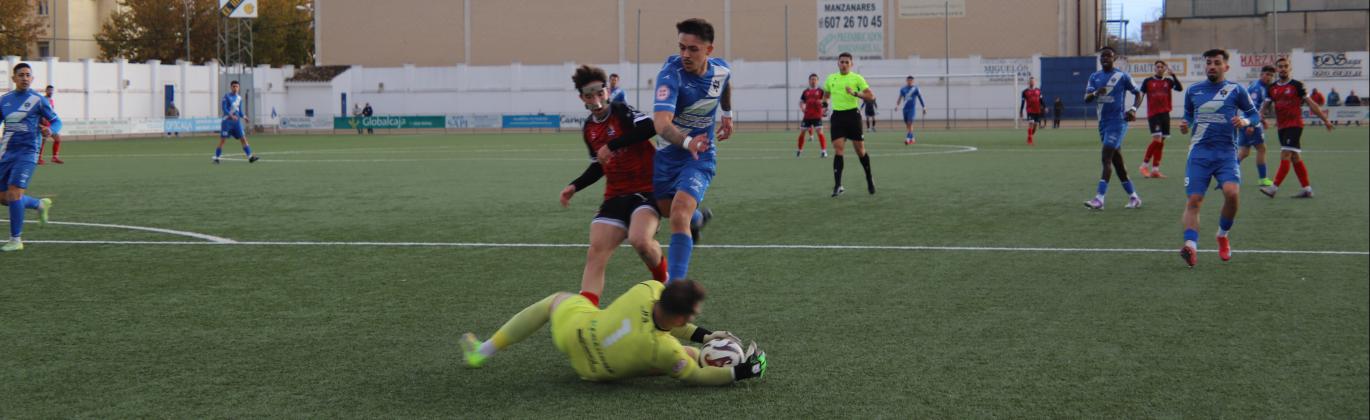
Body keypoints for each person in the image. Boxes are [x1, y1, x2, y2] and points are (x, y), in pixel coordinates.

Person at [459, 279, 768, 385]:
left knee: (556, 301)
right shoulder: (666, 350)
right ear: (679, 318)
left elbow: (669, 320)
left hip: (574, 333)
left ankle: (481, 352)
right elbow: (697, 378)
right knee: (690, 359)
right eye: (693, 315)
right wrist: (741, 373)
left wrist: (702, 332)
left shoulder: (646, 289)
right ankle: (716, 361)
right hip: (594, 373)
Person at [559, 65, 666, 304]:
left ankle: (664, 283)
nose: (596, 99)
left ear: (607, 91)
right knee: (596, 251)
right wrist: (574, 186)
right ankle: (586, 315)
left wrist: (613, 144)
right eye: (589, 95)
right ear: (581, 98)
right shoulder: (589, 128)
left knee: (640, 241)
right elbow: (599, 165)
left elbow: (650, 127)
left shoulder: (622, 111)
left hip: (646, 190)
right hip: (615, 195)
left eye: (600, 93)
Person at [651, 18, 730, 282]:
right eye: (682, 47)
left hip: (701, 155)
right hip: (668, 154)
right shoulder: (670, 75)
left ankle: (674, 288)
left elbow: (726, 83)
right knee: (666, 208)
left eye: (693, 49)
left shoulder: (720, 70)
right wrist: (686, 142)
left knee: (678, 212)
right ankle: (697, 220)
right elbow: (661, 124)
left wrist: (727, 115)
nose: (685, 54)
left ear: (709, 49)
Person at [1177, 49, 1260, 267]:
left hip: (1225, 154)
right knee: (1194, 200)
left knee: (1232, 194)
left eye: (1216, 63)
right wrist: (1184, 125)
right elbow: (1187, 116)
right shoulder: (1193, 91)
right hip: (1199, 153)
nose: (1212, 66)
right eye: (1209, 63)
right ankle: (1191, 247)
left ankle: (1222, 235)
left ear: (1226, 67)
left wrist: (1245, 122)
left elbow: (1255, 115)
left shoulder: (1235, 90)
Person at [0, 63, 59, 252]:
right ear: (14, 78)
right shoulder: (4, 100)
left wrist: (50, 130)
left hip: (27, 152)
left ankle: (16, 240)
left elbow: (57, 121)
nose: (25, 78)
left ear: (32, 79)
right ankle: (39, 204)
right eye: (21, 75)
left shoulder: (38, 100)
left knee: (15, 192)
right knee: (4, 198)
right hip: (6, 152)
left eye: (28, 75)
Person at [1259, 57, 1334, 199]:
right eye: (1280, 66)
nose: (1283, 68)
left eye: (1285, 66)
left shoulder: (1297, 85)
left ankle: (1273, 188)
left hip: (1295, 124)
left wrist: (1325, 120)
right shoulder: (1272, 88)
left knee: (1286, 154)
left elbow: (1312, 104)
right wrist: (1260, 117)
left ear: (1289, 68)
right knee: (1295, 157)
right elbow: (1265, 106)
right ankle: (1307, 189)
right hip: (1281, 127)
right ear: (1277, 70)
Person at [1082, 46, 1142, 210]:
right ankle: (1134, 197)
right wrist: (1095, 94)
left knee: (1106, 156)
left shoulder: (1122, 76)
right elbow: (1086, 99)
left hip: (1118, 122)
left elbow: (1138, 93)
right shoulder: (1094, 77)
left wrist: (1133, 109)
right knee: (1118, 164)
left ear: (1114, 59)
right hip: (1103, 124)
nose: (1105, 59)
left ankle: (1099, 199)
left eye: (1108, 56)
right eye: (1103, 56)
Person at [823, 52, 877, 197]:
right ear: (838, 63)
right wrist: (824, 105)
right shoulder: (831, 78)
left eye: (847, 62)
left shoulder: (857, 78)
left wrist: (855, 93)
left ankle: (869, 178)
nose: (844, 64)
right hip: (837, 117)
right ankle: (838, 185)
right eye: (842, 62)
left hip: (853, 115)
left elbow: (871, 96)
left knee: (860, 151)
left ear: (851, 64)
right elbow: (826, 94)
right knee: (838, 149)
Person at [1135, 61, 1184, 179]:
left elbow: (1180, 88)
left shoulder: (1168, 81)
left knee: (1161, 143)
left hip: (1165, 114)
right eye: (1157, 67)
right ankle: (1144, 165)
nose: (1160, 68)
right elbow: (1140, 95)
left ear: (1165, 69)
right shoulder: (1148, 81)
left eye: (1162, 67)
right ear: (1154, 68)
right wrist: (1134, 108)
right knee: (1157, 140)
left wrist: (1173, 75)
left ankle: (1155, 170)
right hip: (1153, 114)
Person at [1237, 65, 1276, 187]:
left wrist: (1262, 120)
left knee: (1244, 152)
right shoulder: (1257, 88)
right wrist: (1252, 125)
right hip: (1249, 122)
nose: (1269, 77)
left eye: (1271, 75)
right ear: (1261, 75)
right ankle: (1263, 179)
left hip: (1247, 121)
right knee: (1261, 149)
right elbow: (1251, 108)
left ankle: (1227, 174)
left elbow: (1259, 108)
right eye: (1267, 74)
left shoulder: (1264, 87)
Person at [213, 81, 259, 164]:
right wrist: (231, 116)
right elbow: (224, 109)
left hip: (236, 123)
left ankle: (250, 157)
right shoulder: (226, 97)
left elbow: (240, 111)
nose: (235, 88)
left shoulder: (239, 98)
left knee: (243, 139)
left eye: (237, 86)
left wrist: (244, 117)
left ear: (239, 88)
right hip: (227, 122)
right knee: (223, 140)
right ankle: (216, 158)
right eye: (233, 86)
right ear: (231, 87)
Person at [797, 73, 829, 157]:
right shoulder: (805, 91)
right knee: (802, 133)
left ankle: (824, 151)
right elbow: (801, 102)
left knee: (820, 133)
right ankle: (799, 151)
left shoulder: (821, 91)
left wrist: (824, 109)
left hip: (817, 116)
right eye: (812, 79)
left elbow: (826, 102)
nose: (813, 81)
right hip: (807, 116)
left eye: (815, 79)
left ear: (817, 81)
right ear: (809, 81)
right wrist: (802, 108)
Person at [896, 76, 926, 145]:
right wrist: (897, 106)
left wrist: (924, 107)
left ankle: (908, 139)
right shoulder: (903, 89)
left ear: (913, 81)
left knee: (910, 123)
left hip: (911, 109)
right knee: (907, 125)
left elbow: (920, 98)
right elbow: (900, 97)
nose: (910, 82)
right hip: (905, 109)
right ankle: (912, 138)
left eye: (911, 81)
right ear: (906, 81)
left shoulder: (916, 89)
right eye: (908, 80)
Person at [37, 85, 63, 164]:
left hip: (50, 125)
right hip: (43, 124)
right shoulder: (43, 100)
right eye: (49, 90)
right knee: (43, 141)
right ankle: (39, 158)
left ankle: (54, 157)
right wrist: (41, 123)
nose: (51, 92)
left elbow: (51, 113)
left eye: (52, 90)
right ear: (46, 91)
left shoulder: (51, 100)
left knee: (58, 139)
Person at [1019, 76, 1044, 146]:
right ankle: (1030, 141)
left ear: (1034, 82)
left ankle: (1029, 137)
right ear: (1028, 82)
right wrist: (1021, 110)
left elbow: (1041, 100)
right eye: (1030, 81)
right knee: (1031, 123)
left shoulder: (1038, 91)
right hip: (1030, 110)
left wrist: (1044, 107)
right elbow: (1023, 102)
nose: (1031, 82)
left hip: (1037, 110)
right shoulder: (1025, 92)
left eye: (1033, 81)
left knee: (1035, 127)